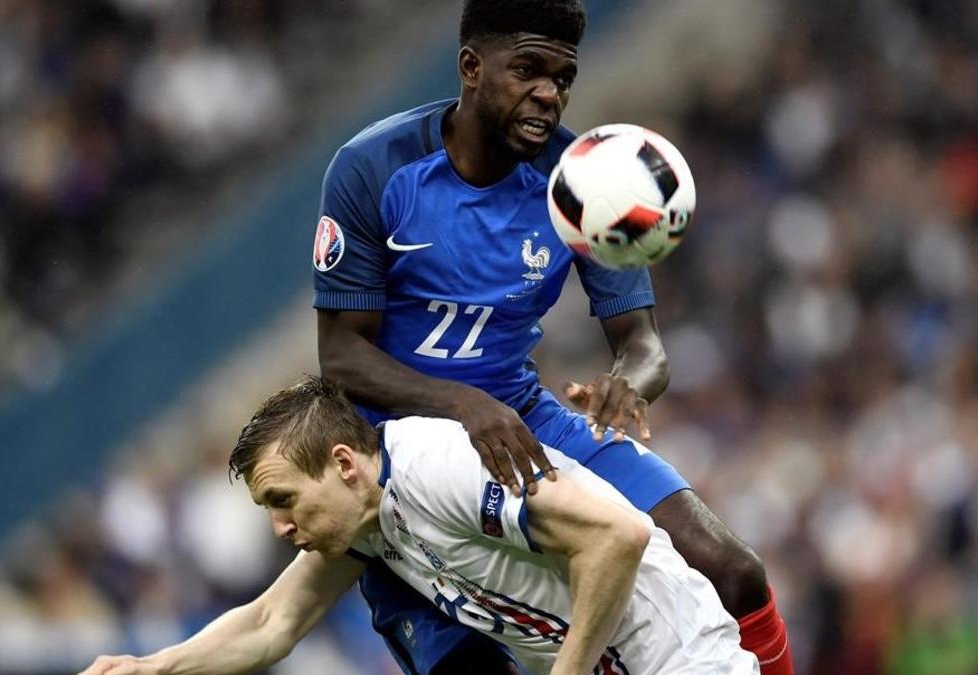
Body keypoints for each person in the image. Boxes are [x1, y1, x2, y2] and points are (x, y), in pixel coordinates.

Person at [312, 0, 793, 673]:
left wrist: (630, 382)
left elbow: (644, 343)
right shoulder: (373, 168)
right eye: (528, 70)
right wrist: (460, 402)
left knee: (733, 571)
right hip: (393, 446)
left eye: (563, 77)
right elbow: (340, 355)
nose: (549, 92)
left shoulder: (585, 178)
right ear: (471, 67)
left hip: (524, 421)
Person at [80, 377, 759, 675]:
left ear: (344, 463)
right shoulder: (364, 522)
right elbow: (268, 624)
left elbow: (619, 534)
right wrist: (153, 666)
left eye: (285, 499)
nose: (282, 526)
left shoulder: (440, 465)